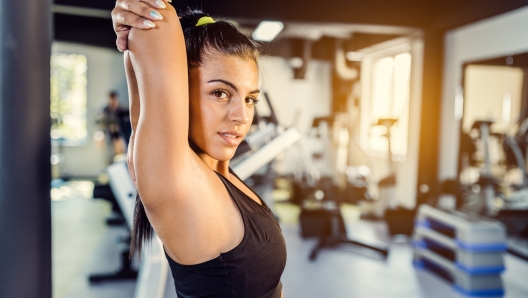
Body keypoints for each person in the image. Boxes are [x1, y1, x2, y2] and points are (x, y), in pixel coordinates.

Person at [111, 1, 287, 297]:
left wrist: (131, 46)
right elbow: (157, 24)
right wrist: (141, 13)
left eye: (249, 99)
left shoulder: (222, 175)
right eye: (220, 93)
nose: (242, 116)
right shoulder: (176, 184)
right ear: (179, 92)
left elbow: (139, 90)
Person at [97, 91, 127, 163]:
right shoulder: (105, 110)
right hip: (108, 134)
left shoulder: (122, 110)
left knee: (120, 151)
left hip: (119, 135)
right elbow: (100, 122)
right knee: (99, 137)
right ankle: (107, 161)